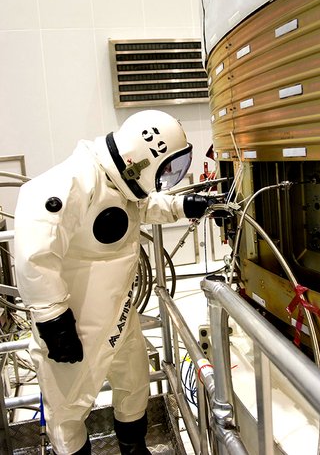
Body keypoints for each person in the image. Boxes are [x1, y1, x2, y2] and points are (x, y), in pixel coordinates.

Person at [14, 110, 214, 455]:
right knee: (67, 408)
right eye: (166, 168)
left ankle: (134, 449)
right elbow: (36, 251)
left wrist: (182, 205)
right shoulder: (73, 181)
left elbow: (143, 206)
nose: (166, 176)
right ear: (143, 157)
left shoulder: (120, 181)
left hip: (119, 316)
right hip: (73, 326)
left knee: (134, 386)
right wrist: (52, 318)